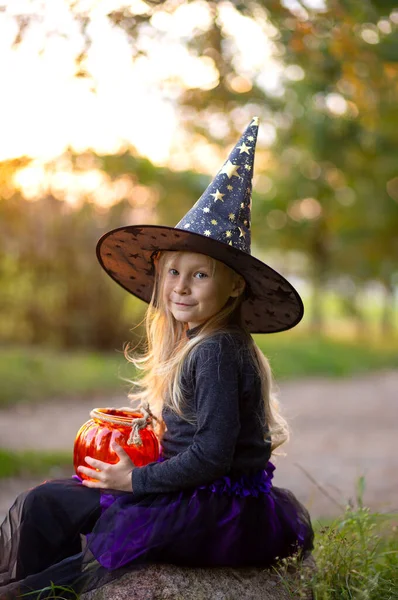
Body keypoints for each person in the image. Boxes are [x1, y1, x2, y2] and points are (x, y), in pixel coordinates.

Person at [0, 118, 314, 599]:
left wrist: (135, 479)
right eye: (172, 271)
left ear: (234, 286)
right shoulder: (204, 342)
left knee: (64, 518)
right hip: (196, 493)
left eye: (201, 274)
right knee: (48, 500)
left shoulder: (217, 351)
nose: (181, 286)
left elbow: (210, 456)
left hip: (212, 507)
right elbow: (197, 434)